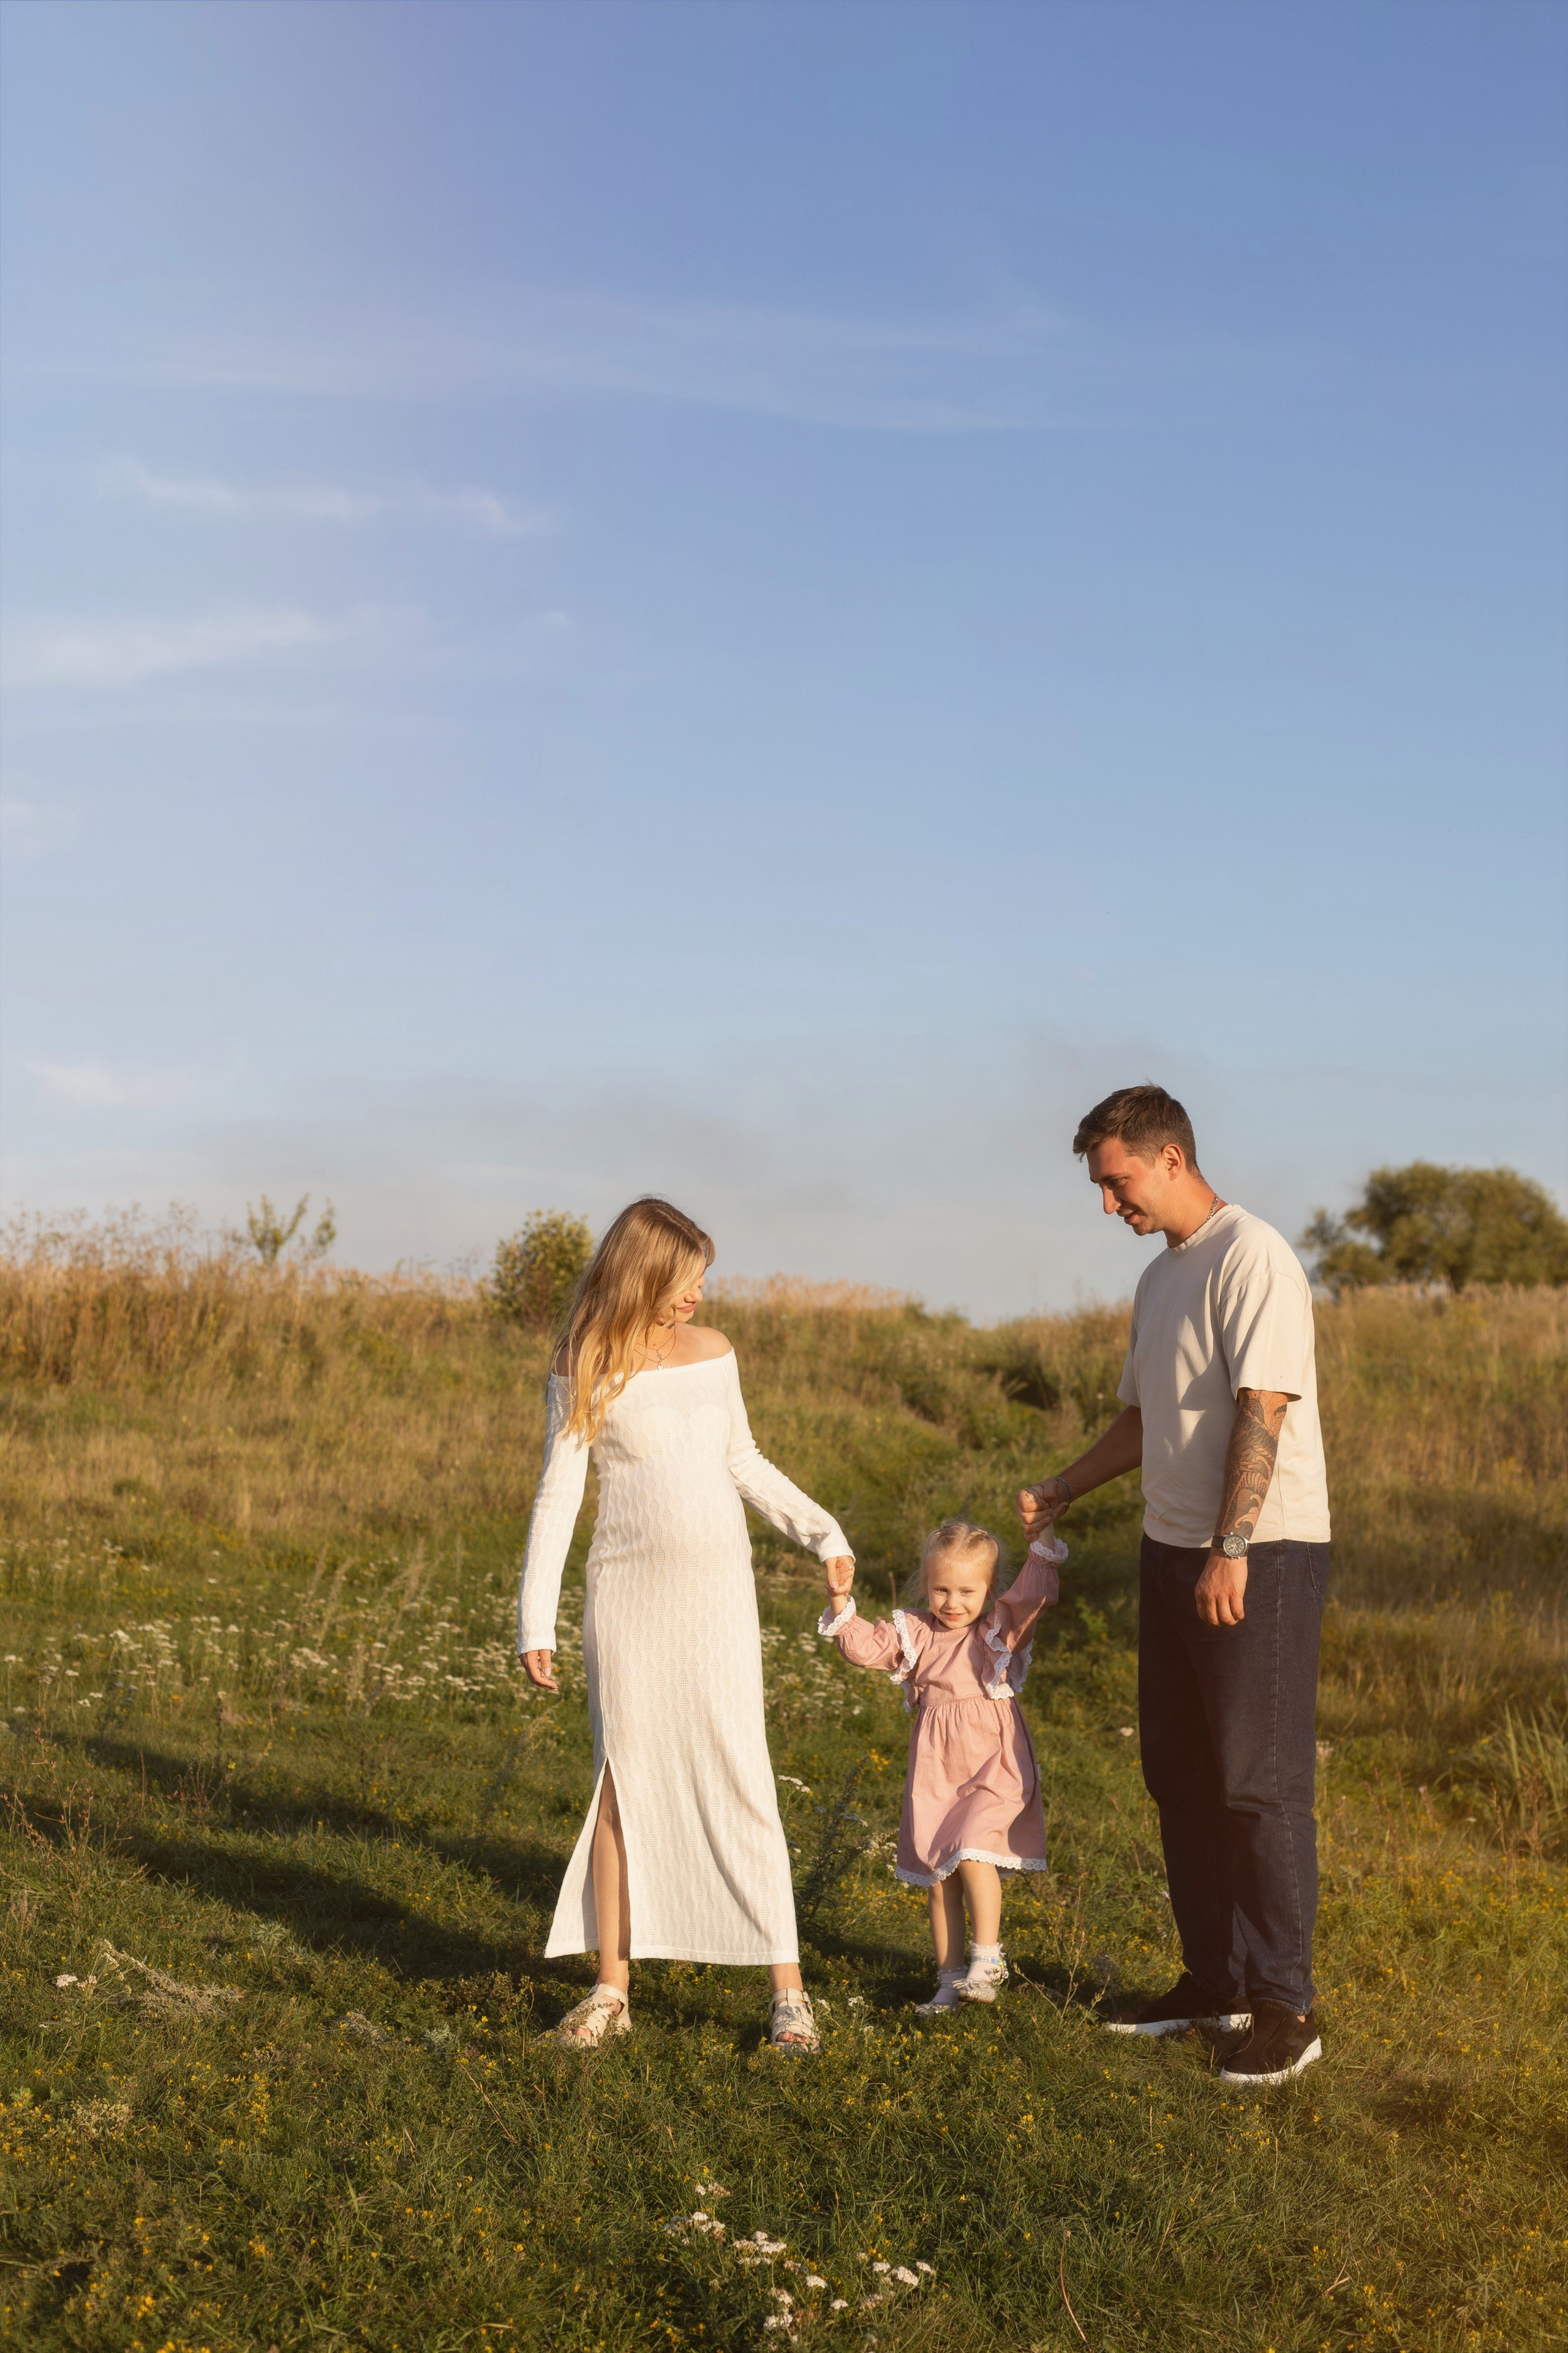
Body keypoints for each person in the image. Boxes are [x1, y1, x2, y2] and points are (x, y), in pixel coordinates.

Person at [1019, 1086, 1330, 2088]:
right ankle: (1215, 1980)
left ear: (1169, 1158)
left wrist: (1230, 1547)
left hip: (1259, 1554)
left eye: (1117, 1183)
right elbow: (1147, 1419)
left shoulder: (1257, 1258)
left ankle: (1287, 2005)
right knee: (1182, 1775)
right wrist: (1066, 1484)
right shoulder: (1162, 1281)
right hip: (1169, 1550)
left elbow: (1264, 1408)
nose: (1110, 1205)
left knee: (1258, 1781)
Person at [517, 1196, 854, 2054]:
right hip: (626, 1596)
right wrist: (535, 1617)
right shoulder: (583, 1362)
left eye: (702, 1279)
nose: (699, 1296)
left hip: (716, 1597)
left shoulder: (714, 1353)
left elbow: (742, 1460)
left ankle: (788, 1995)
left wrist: (825, 1532)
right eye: (685, 1281)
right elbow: (560, 1493)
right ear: (643, 1277)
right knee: (620, 1784)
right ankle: (610, 1988)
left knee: (742, 1771)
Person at [818, 1518, 1065, 2013]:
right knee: (940, 1878)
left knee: (973, 1850)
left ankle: (988, 1958)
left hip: (993, 1762)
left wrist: (1042, 1544)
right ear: (926, 1587)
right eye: (941, 1589)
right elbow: (864, 1647)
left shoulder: (998, 1629)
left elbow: (1035, 1596)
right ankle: (951, 1981)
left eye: (967, 1591)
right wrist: (842, 1601)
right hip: (937, 1770)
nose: (953, 1602)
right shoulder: (917, 1632)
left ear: (990, 1590)